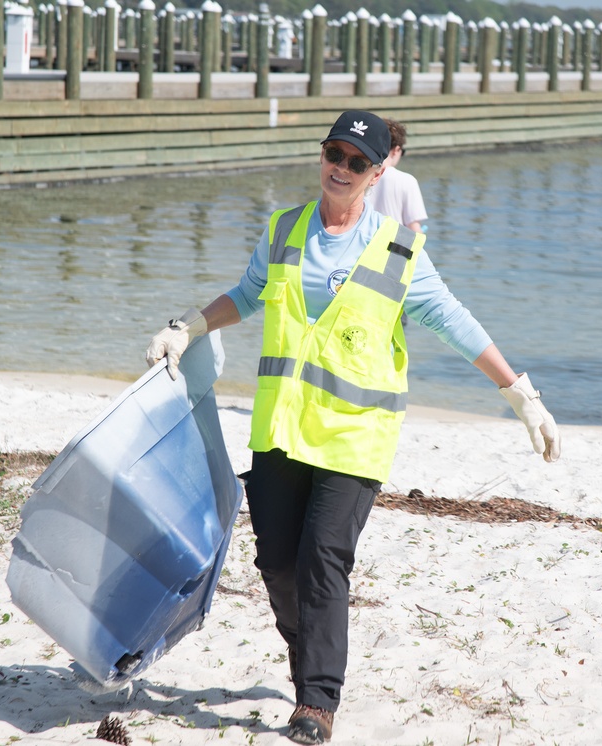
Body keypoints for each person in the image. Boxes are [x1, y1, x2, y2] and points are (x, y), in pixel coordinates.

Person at [145, 110, 561, 745]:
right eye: (334, 153)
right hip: (281, 429)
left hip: (355, 436)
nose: (342, 168)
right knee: (278, 564)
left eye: (357, 161)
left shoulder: (399, 250)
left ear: (379, 170)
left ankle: (317, 701)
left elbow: (453, 320)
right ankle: (313, 652)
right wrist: (189, 325)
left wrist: (518, 392)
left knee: (323, 563)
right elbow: (249, 291)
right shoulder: (285, 228)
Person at [366, 118, 427, 233]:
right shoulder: (407, 181)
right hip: (392, 248)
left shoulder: (361, 174)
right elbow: (414, 230)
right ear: (396, 150)